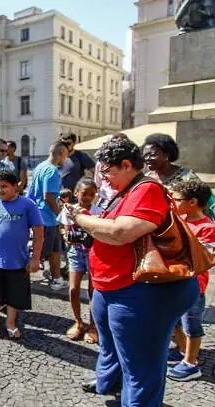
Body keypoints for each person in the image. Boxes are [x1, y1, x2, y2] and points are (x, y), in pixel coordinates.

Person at [68, 136, 198, 405]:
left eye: (106, 171)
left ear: (126, 165)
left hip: (140, 291)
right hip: (113, 286)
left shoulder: (147, 189)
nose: (102, 179)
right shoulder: (124, 189)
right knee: (114, 348)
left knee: (141, 367)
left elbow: (120, 233)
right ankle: (111, 382)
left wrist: (81, 218)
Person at [0, 169, 44, 339]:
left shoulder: (28, 205)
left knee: (15, 295)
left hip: (19, 260)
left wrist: (35, 258)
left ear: (15, 187)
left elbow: (39, 232)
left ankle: (10, 323)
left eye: (4, 187)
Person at [167, 180, 215, 381]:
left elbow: (205, 257)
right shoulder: (181, 218)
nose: (173, 203)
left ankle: (191, 363)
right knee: (172, 320)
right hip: (175, 280)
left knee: (191, 324)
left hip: (194, 285)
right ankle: (182, 349)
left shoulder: (207, 227)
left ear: (193, 202)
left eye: (177, 200)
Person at [26, 142, 69, 290]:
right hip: (47, 217)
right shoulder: (52, 171)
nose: (66, 158)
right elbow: (48, 196)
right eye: (66, 154)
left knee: (54, 249)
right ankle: (18, 279)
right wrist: (60, 215)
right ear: (61, 153)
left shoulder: (39, 167)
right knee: (41, 252)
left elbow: (30, 193)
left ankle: (56, 278)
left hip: (41, 216)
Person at [63, 178, 101, 343]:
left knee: (93, 292)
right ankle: (78, 322)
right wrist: (67, 236)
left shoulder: (98, 211)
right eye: (84, 193)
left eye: (91, 194)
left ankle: (93, 326)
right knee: (73, 289)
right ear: (76, 192)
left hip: (94, 254)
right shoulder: (67, 210)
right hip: (75, 253)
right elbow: (66, 233)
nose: (87, 198)